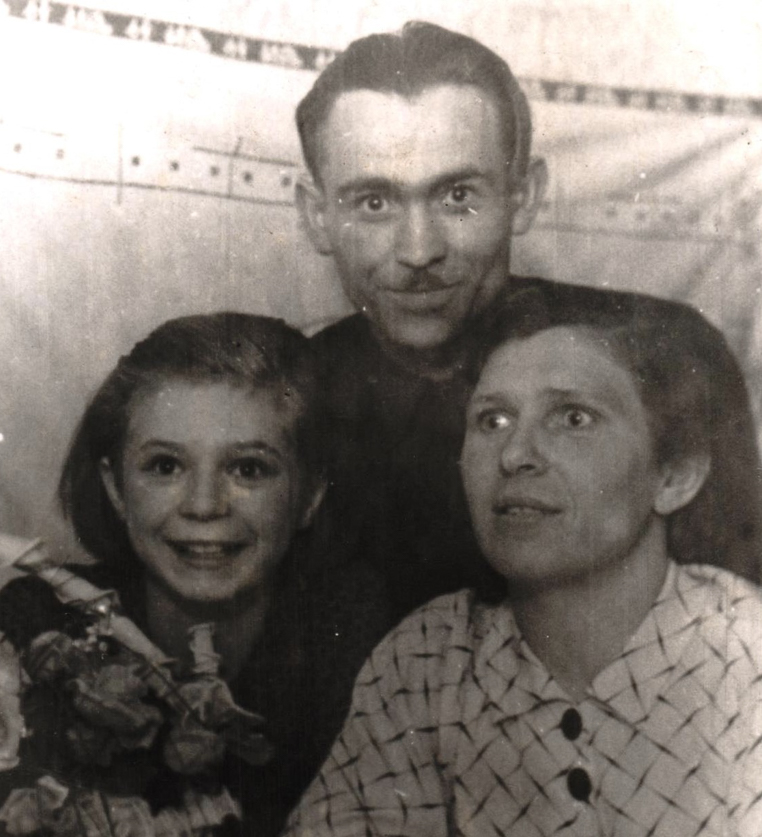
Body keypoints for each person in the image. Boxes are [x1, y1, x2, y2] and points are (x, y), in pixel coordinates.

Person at [248, 290, 762, 837]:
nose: (515, 454)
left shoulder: (745, 659)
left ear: (675, 474)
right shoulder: (438, 655)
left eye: (573, 418)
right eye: (490, 419)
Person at [0, 312, 388, 837]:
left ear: (310, 495)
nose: (203, 505)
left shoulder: (348, 626)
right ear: (115, 487)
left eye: (249, 468)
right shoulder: (40, 617)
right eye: (165, 466)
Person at [296, 20, 762, 620]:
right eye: (375, 202)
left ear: (525, 196)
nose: (418, 251)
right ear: (316, 217)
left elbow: (738, 635)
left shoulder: (668, 351)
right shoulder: (290, 395)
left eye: (457, 196)